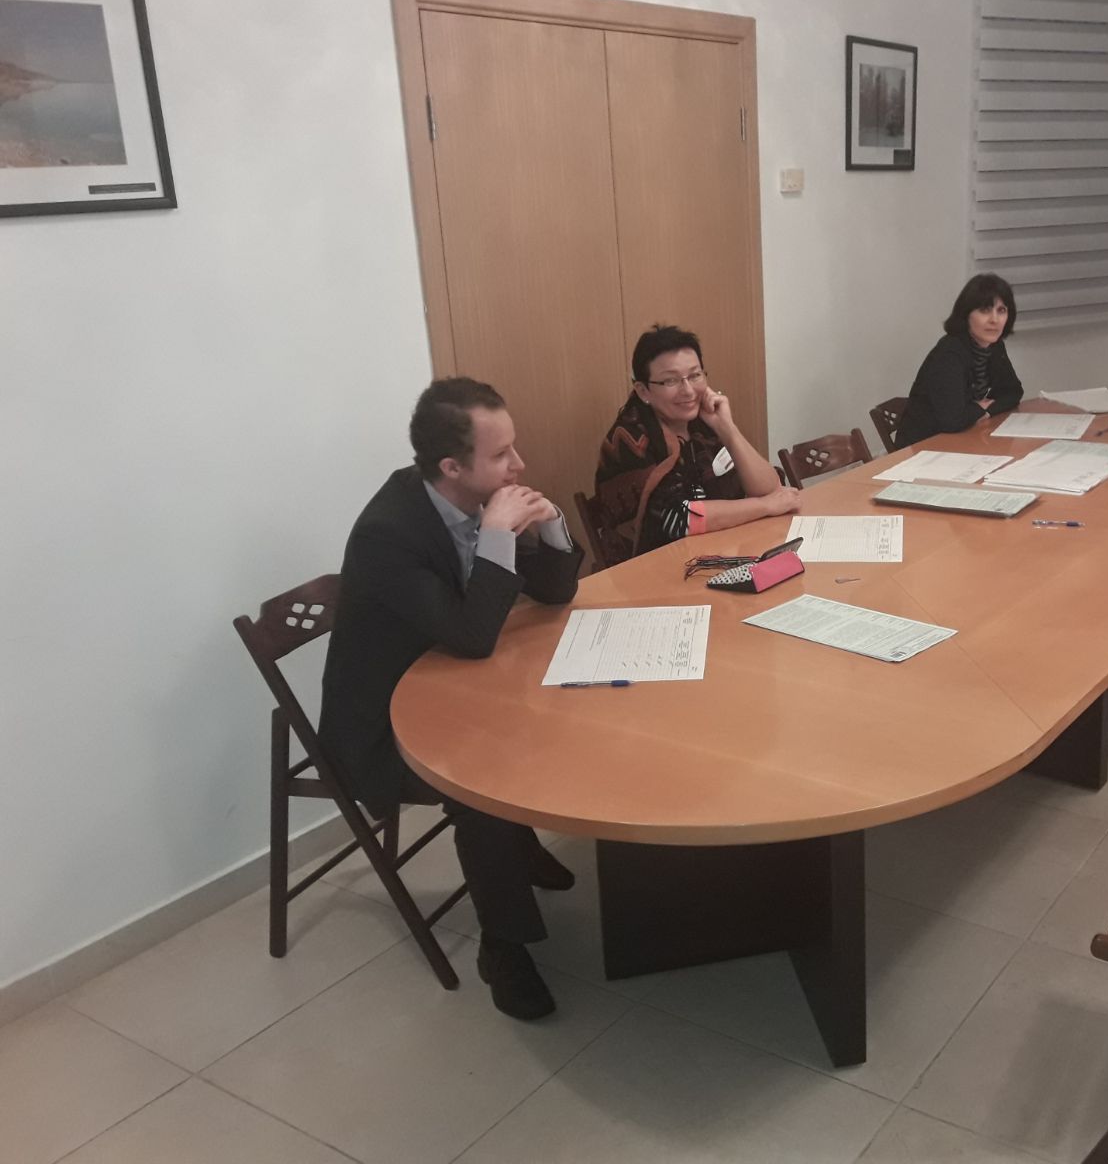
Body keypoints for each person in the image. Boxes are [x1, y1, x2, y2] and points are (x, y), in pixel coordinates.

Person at [320, 377, 585, 1021]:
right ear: (451, 467)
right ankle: (504, 949)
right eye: (502, 455)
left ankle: (521, 848)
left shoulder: (474, 497)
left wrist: (550, 525)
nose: (519, 465)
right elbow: (471, 635)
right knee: (480, 781)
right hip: (385, 722)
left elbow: (553, 594)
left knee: (561, 710)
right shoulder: (389, 533)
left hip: (451, 682)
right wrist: (497, 537)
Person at [594, 324, 799, 557]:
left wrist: (728, 429)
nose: (689, 391)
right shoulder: (629, 439)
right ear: (643, 391)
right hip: (655, 565)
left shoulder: (702, 422)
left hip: (720, 550)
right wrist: (765, 507)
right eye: (671, 381)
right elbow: (678, 520)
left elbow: (770, 488)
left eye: (694, 375)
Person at [894, 273, 1025, 448]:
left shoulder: (994, 347)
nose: (994, 320)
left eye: (1001, 311)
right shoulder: (950, 353)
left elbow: (1013, 392)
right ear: (966, 315)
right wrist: (980, 408)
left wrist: (985, 409)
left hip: (961, 438)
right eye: (985, 310)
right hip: (922, 447)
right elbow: (952, 421)